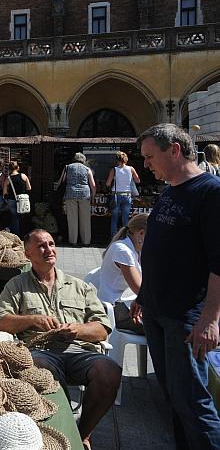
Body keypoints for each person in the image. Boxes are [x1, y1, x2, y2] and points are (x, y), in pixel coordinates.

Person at [0, 229, 120, 449]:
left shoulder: (79, 286)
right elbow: (0, 322)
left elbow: (102, 329)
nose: (49, 250)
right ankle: (60, 430)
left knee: (110, 371)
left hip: (80, 351)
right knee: (43, 369)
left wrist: (77, 329)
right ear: (27, 254)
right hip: (40, 351)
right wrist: (32, 319)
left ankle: (82, 434)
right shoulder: (17, 285)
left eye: (51, 244)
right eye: (41, 246)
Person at [137, 123, 220, 449]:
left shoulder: (210, 193)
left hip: (185, 318)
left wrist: (210, 319)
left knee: (193, 402)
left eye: (149, 156)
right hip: (158, 312)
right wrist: (144, 296)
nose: (145, 164)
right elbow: (162, 249)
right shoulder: (171, 190)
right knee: (174, 397)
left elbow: (219, 263)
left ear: (174, 149)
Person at [96, 213, 148, 335]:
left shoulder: (135, 250)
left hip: (127, 306)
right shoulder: (122, 250)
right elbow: (140, 290)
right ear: (140, 233)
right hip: (115, 309)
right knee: (165, 327)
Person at [59, 153, 96, 246]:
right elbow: (93, 184)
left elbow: (61, 180)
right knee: (85, 219)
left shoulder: (67, 167)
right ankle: (86, 241)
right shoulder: (87, 169)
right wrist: (93, 195)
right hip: (85, 194)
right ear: (83, 160)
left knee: (72, 218)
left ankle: (73, 241)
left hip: (70, 193)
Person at [105, 151, 141, 238]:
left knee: (114, 218)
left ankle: (114, 238)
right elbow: (138, 180)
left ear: (117, 160)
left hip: (116, 195)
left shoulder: (114, 170)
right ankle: (126, 237)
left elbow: (107, 184)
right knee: (125, 218)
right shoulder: (131, 169)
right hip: (127, 195)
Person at [2, 160, 31, 236]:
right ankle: (22, 233)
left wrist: (6, 199)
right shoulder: (23, 176)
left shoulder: (8, 178)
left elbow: (5, 192)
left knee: (14, 217)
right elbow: (29, 188)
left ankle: (16, 233)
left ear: (10, 169)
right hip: (22, 199)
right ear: (18, 167)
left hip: (12, 199)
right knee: (21, 217)